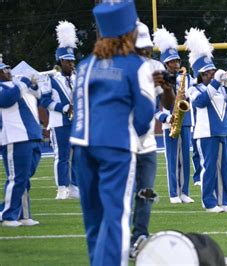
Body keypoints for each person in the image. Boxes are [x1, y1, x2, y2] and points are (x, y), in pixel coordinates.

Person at [70, 2, 156, 265]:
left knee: (93, 218)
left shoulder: (85, 64)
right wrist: (128, 134)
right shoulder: (136, 65)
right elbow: (144, 114)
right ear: (129, 33)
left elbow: (79, 106)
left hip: (82, 143)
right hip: (117, 146)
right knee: (116, 216)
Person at [129, 22, 176, 258]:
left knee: (145, 193)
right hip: (123, 143)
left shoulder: (154, 66)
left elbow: (168, 104)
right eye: (140, 48)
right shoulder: (118, 69)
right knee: (124, 196)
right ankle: (118, 239)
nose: (145, 52)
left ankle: (139, 237)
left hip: (147, 143)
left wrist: (166, 87)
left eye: (147, 47)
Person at [185, 28, 227, 213]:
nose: (211, 74)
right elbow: (201, 102)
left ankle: (224, 201)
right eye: (207, 73)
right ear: (200, 74)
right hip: (206, 134)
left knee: (225, 169)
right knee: (209, 169)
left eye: (212, 71)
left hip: (226, 131)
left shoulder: (221, 88)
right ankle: (209, 202)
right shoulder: (193, 89)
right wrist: (215, 83)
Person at [154, 26, 195, 204]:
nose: (176, 64)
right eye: (172, 61)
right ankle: (173, 193)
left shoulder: (188, 78)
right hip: (169, 123)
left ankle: (184, 192)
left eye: (177, 60)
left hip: (185, 121)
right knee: (172, 159)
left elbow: (194, 95)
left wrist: (188, 97)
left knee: (185, 159)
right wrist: (166, 117)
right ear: (165, 64)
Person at [0, 58, 43, 227]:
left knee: (24, 178)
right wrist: (24, 81)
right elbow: (6, 99)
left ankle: (24, 215)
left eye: (9, 68)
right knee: (17, 178)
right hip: (15, 136)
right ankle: (9, 215)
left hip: (32, 135)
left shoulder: (19, 86)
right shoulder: (9, 88)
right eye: (4, 69)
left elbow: (39, 97)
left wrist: (34, 83)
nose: (9, 71)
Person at [40, 20, 79, 200]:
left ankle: (75, 187)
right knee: (62, 156)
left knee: (77, 156)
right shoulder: (51, 79)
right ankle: (62, 188)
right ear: (61, 61)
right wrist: (64, 107)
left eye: (73, 61)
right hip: (59, 122)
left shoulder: (78, 77)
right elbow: (44, 100)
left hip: (77, 122)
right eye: (68, 61)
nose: (72, 64)